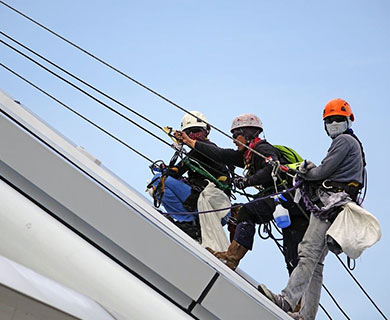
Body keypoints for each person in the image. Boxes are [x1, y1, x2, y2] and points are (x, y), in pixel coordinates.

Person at [258, 98, 365, 320]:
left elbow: (322, 173)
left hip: (330, 207)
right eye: (330, 120)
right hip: (340, 208)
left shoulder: (344, 141)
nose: (334, 123)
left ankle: (286, 300)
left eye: (338, 119)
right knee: (316, 264)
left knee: (307, 253)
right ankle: (306, 315)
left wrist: (305, 171)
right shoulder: (352, 144)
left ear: (348, 121)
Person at [175, 113, 309, 272]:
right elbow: (221, 154)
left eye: (235, 135)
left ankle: (232, 257)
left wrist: (247, 181)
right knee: (292, 254)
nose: (233, 139)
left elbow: (271, 168)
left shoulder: (262, 149)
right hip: (293, 204)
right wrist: (191, 142)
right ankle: (298, 297)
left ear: (247, 133)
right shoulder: (247, 155)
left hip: (288, 197)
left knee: (247, 211)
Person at [149, 111, 231, 243]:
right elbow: (178, 169)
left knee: (159, 180)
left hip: (212, 205)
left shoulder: (206, 149)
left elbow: (176, 171)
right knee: (163, 180)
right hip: (215, 208)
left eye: (196, 130)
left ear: (206, 132)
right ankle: (191, 223)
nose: (192, 135)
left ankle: (188, 222)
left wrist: (167, 171)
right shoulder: (201, 152)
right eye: (188, 132)